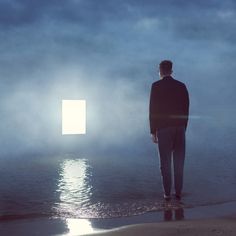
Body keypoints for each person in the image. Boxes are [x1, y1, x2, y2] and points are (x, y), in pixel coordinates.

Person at [149, 60, 189, 201]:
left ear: (160, 71)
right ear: (171, 71)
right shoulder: (181, 86)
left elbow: (153, 110)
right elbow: (186, 108)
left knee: (165, 163)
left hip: (163, 128)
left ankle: (167, 194)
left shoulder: (156, 86)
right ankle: (178, 192)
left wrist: (153, 131)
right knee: (179, 162)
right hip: (179, 128)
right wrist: (184, 127)